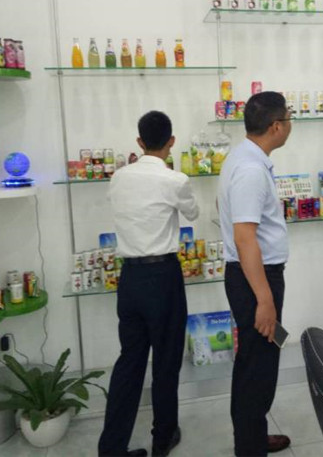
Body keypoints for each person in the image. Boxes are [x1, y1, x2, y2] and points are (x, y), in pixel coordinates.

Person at [99, 111, 199, 457]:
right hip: (163, 277)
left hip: (129, 278)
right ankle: (162, 438)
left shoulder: (118, 178)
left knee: (129, 362)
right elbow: (193, 214)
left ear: (139, 142)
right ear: (172, 142)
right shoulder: (175, 180)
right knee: (166, 362)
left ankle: (111, 448)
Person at [217, 91, 293, 457]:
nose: (290, 125)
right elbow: (244, 237)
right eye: (289, 119)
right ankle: (250, 448)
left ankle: (252, 436)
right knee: (257, 368)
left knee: (257, 360)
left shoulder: (245, 157)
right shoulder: (250, 169)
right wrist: (265, 299)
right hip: (256, 280)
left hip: (254, 276)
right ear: (276, 126)